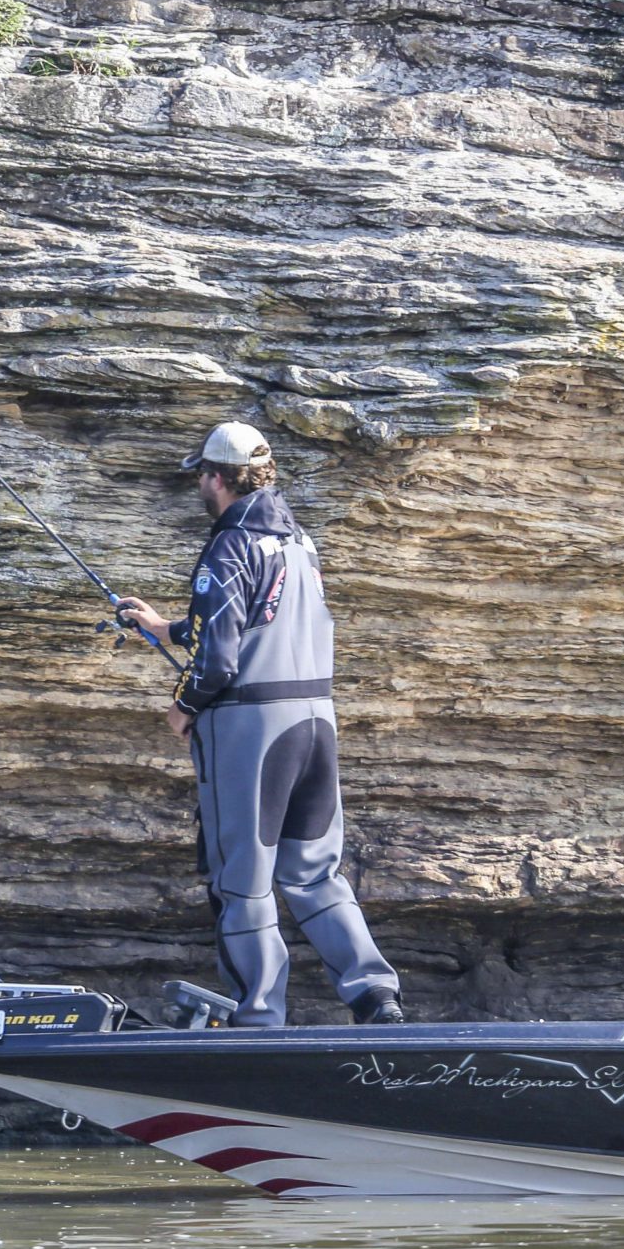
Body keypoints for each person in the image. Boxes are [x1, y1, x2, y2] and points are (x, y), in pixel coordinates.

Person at [113, 421, 405, 1027]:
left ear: (217, 478)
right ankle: (377, 997)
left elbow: (218, 659)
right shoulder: (299, 541)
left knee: (242, 881)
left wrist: (183, 707)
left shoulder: (230, 545)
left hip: (253, 730)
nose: (199, 484)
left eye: (201, 474)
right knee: (314, 873)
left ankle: (259, 1018)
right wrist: (165, 628)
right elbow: (253, 619)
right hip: (316, 723)